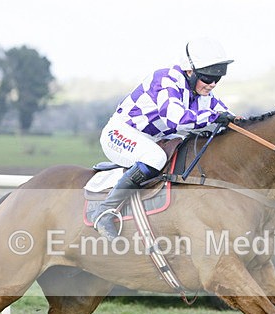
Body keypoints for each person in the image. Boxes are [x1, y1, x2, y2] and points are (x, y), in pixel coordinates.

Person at [89, 37, 236, 240]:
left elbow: (227, 115)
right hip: (120, 134)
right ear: (190, 71)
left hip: (153, 138)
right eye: (207, 78)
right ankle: (104, 212)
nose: (212, 84)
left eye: (217, 79)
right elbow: (175, 120)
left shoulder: (201, 92)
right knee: (155, 158)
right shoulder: (166, 80)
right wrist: (214, 117)